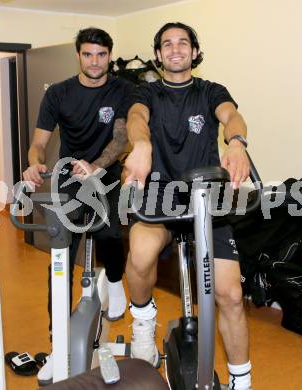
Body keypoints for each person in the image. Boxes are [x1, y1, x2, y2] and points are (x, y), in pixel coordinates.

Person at [124, 22, 252, 390]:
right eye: (167, 44)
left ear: (195, 52)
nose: (175, 49)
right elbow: (136, 120)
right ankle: (144, 322)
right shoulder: (145, 92)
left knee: (230, 295)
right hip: (160, 193)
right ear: (158, 54)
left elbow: (231, 116)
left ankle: (241, 380)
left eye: (183, 43)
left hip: (205, 197)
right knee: (142, 252)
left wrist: (238, 142)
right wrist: (142, 146)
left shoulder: (210, 91)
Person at [23, 27, 134, 384]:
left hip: (106, 173)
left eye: (101, 55)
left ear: (109, 57)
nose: (95, 61)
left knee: (108, 229)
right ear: (79, 56)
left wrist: (97, 167)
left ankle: (114, 279)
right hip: (70, 177)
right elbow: (39, 143)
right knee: (60, 256)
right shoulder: (59, 93)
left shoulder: (122, 90)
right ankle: (58, 346)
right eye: (88, 54)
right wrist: (34, 161)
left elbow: (122, 138)